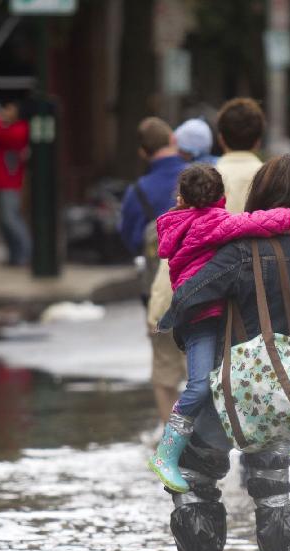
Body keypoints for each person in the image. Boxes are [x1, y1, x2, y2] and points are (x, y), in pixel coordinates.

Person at [156, 154, 290, 551]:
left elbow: (189, 296)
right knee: (273, 486)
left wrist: (176, 326)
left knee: (193, 478)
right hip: (278, 388)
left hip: (228, 384)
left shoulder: (241, 251)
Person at [148, 163, 290, 492]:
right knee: (200, 386)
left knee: (235, 377)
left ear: (181, 198)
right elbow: (251, 222)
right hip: (201, 317)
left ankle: (267, 433)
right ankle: (166, 453)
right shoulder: (209, 222)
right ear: (220, 197)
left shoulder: (180, 222)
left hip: (213, 313)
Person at [146, 99, 266, 418]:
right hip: (255, 305)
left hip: (202, 301)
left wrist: (160, 305)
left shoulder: (205, 178)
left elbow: (178, 251)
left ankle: (182, 449)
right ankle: (254, 456)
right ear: (258, 140)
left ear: (221, 138)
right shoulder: (271, 177)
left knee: (193, 378)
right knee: (248, 385)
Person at [119, 117, 188, 422]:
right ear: (173, 140)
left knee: (165, 369)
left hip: (157, 294)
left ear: (143, 153)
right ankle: (209, 441)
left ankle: (172, 441)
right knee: (206, 365)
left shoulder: (138, 192)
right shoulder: (198, 177)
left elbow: (129, 238)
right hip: (203, 287)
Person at [0, 102, 31, 267]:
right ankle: (14, 256)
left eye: (9, 109)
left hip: (10, 183)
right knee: (4, 221)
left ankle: (25, 253)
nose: (5, 112)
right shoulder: (10, 129)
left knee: (11, 219)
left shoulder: (20, 129)